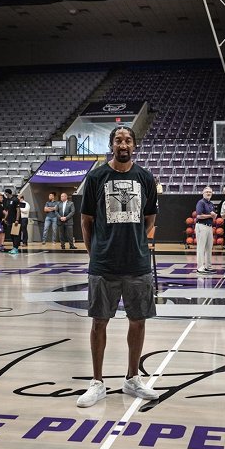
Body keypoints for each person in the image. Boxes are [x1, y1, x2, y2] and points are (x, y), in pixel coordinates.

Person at [77, 126, 159, 408]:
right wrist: (94, 253)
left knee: (138, 320)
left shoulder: (145, 177)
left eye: (127, 140)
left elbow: (149, 219)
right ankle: (97, 382)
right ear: (111, 144)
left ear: (134, 145)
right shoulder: (96, 176)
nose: (123, 144)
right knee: (99, 321)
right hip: (104, 263)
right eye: (118, 140)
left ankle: (132, 378)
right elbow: (86, 221)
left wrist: (135, 241)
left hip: (137, 262)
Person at [194, 186, 216, 275]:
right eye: (206, 192)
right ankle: (200, 267)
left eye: (210, 192)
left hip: (209, 226)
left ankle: (208, 266)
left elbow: (213, 216)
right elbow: (198, 216)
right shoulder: (201, 202)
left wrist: (213, 216)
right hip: (201, 226)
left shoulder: (211, 204)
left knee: (209, 248)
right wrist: (211, 216)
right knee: (201, 247)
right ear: (203, 193)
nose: (208, 193)